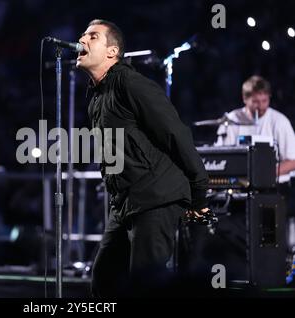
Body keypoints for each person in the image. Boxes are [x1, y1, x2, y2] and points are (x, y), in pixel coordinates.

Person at [76, 19, 210, 296]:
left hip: (155, 197)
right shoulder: (96, 98)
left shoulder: (132, 83)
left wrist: (200, 189)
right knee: (104, 282)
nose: (82, 40)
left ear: (112, 52)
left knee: (144, 285)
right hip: (126, 202)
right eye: (83, 35)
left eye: (93, 36)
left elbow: (175, 132)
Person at [215, 75, 295, 180]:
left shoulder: (280, 121)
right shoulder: (232, 119)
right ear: (245, 99)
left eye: (265, 101)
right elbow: (221, 155)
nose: (261, 106)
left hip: (274, 186)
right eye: (255, 102)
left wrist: (264, 174)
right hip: (239, 183)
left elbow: (293, 161)